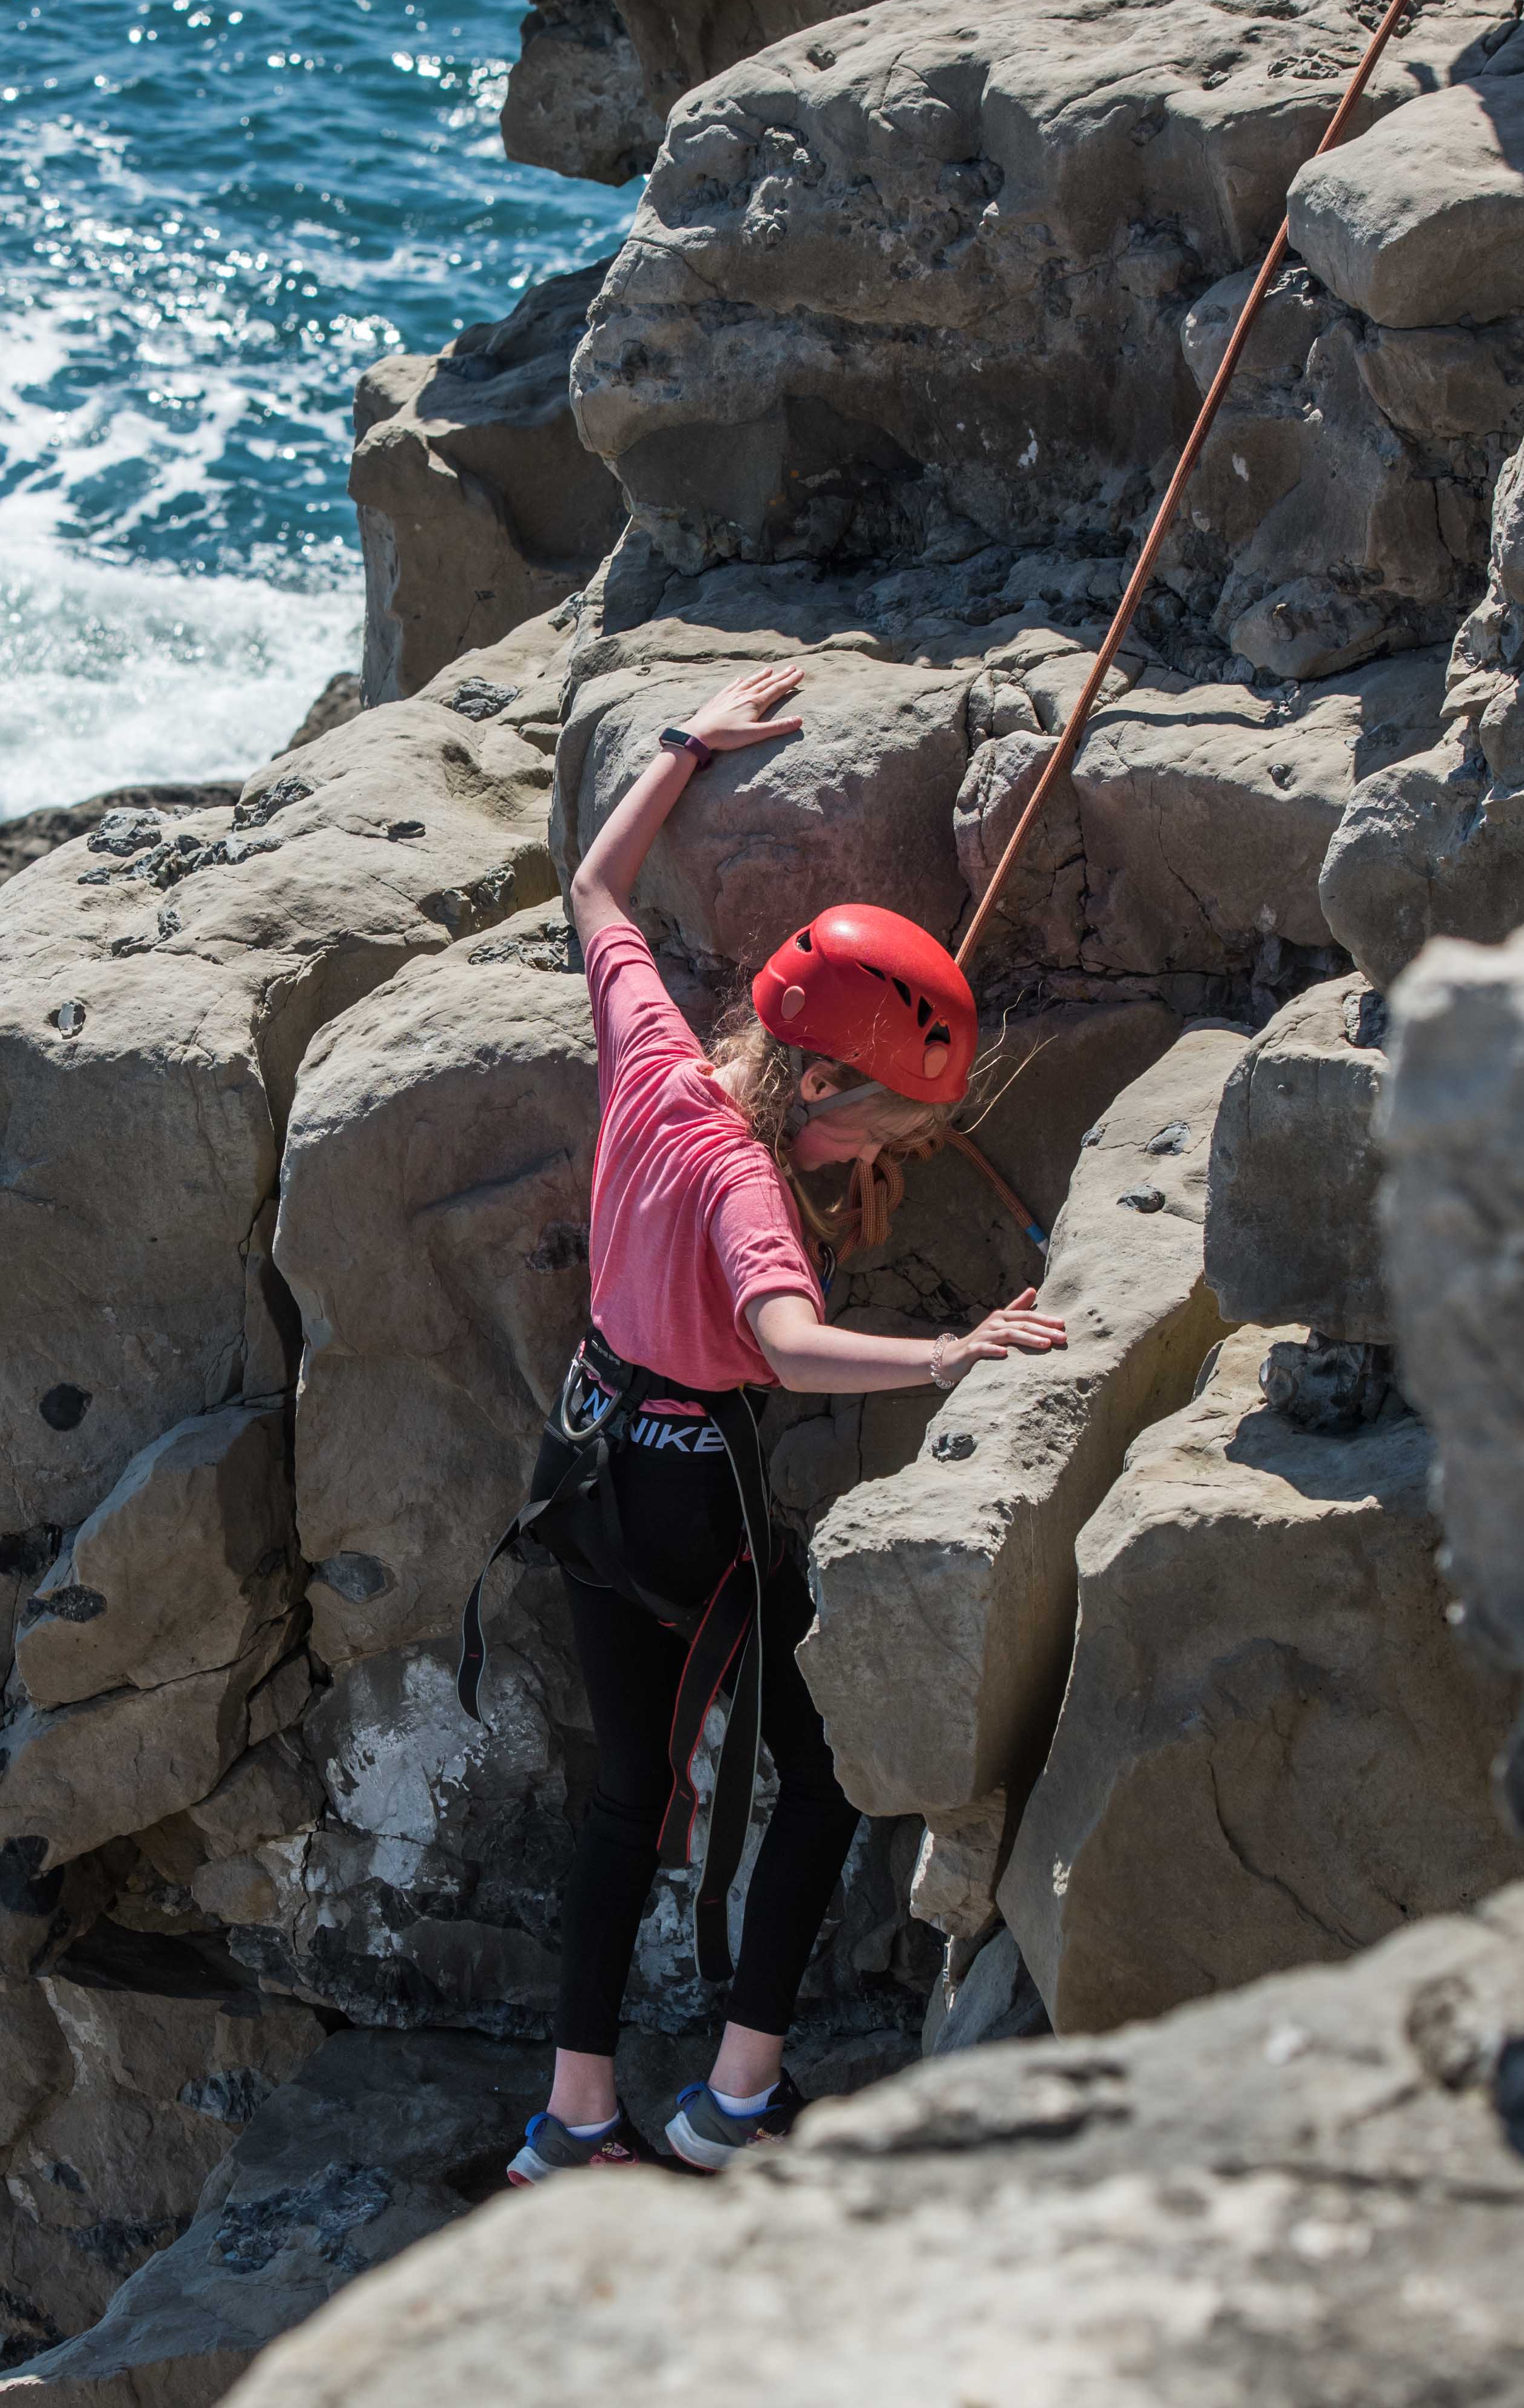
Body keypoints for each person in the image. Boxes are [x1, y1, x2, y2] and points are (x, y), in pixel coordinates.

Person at [509, 660, 1069, 2185]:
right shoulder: (750, 1183)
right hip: (690, 1490)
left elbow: (596, 887)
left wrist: (686, 743)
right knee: (818, 1770)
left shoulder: (660, 1063)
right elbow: (784, 1340)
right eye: (883, 1129)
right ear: (821, 1080)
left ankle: (569, 2121)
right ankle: (732, 2097)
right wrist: (948, 1351)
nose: (879, 1155)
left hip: (586, 1458)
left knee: (629, 1792)